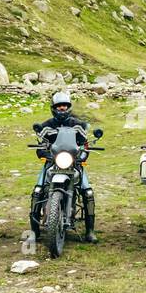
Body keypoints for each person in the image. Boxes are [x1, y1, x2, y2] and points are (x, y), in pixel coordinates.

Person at [30, 91, 97, 242]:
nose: (62, 109)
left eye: (64, 106)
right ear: (53, 108)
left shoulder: (78, 125)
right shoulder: (46, 126)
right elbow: (40, 147)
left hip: (74, 163)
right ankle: (34, 230)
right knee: (38, 190)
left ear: (69, 107)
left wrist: (82, 156)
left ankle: (90, 230)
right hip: (53, 163)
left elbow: (85, 146)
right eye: (59, 106)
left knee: (88, 192)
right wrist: (45, 154)